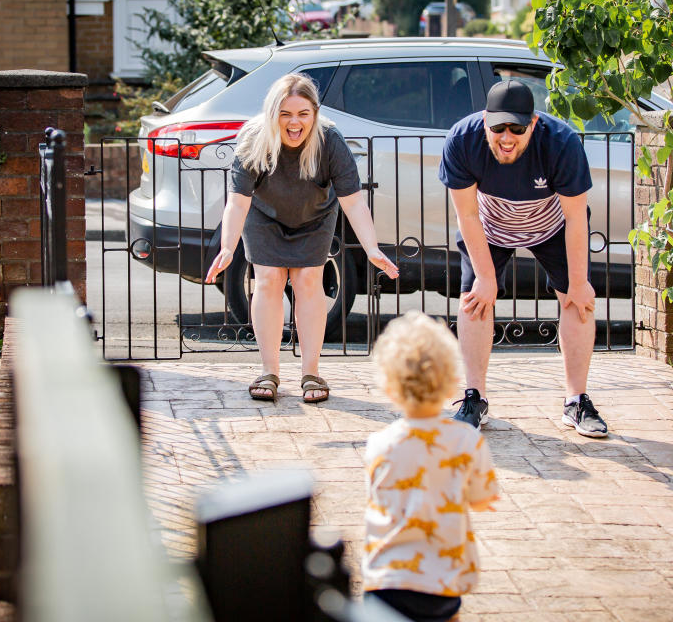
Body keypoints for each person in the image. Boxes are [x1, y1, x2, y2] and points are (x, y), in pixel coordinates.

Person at [206, 73, 398, 403]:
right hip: (264, 216)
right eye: (285, 114)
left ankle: (311, 372)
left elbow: (353, 201)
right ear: (272, 115)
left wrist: (371, 248)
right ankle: (269, 371)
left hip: (315, 217)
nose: (295, 123)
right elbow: (238, 201)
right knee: (267, 281)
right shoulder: (254, 139)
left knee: (309, 281)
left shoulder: (330, 141)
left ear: (315, 113)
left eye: (303, 114)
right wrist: (227, 247)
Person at [438, 79, 608, 437]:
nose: (506, 137)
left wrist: (578, 283)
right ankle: (475, 397)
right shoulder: (462, 140)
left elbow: (577, 217)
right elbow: (466, 215)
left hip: (553, 225)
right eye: (498, 127)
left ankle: (576, 400)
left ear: (533, 123)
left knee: (578, 300)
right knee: (474, 299)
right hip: (490, 224)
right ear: (485, 121)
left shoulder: (561, 143)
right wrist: (486, 279)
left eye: (517, 128)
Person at [363, 311, 499, 622]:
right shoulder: (466, 441)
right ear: (453, 382)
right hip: (441, 575)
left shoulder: (380, 444)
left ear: (388, 387)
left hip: (385, 577)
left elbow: (378, 497)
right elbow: (482, 497)